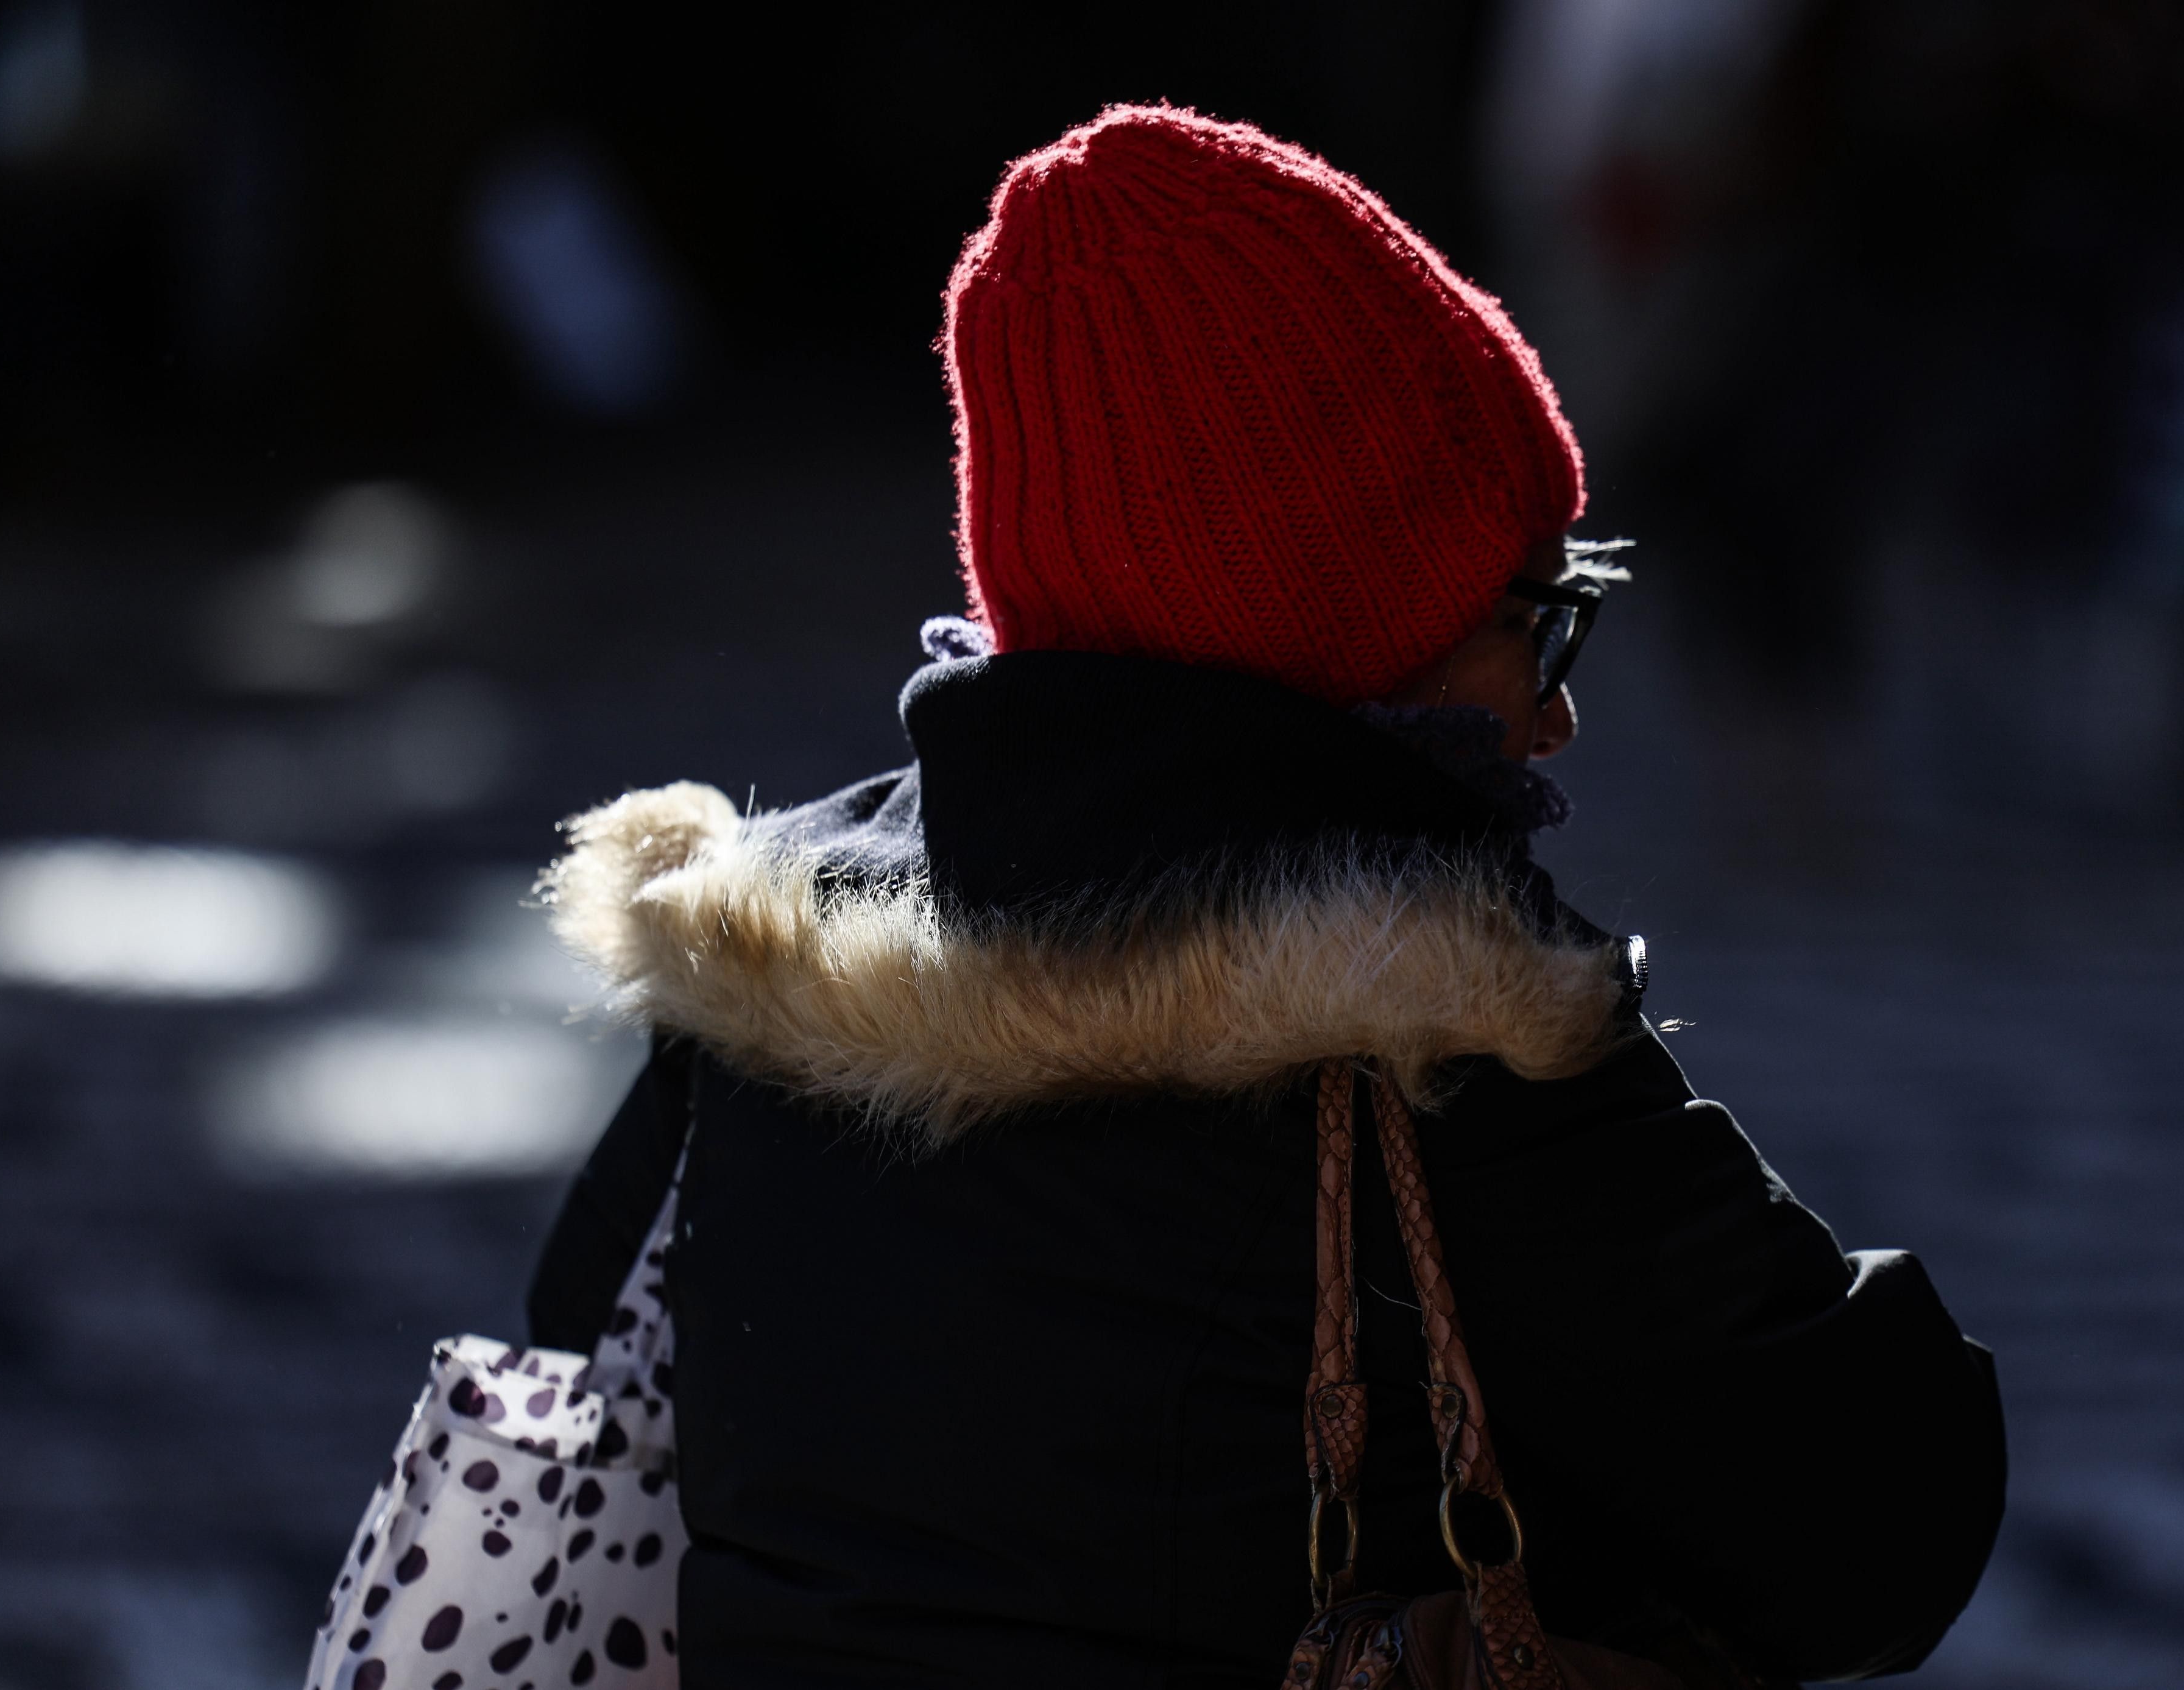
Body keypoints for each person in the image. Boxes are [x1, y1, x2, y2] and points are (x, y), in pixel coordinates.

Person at [526, 106, 2004, 1688]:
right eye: (1536, 619)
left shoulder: (762, 963)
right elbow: (1876, 1526)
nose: (1562, 712)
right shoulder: (1435, 1030)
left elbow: (581, 1382)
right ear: (1352, 623)